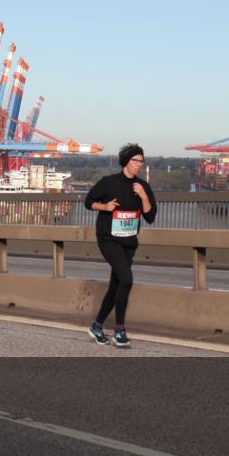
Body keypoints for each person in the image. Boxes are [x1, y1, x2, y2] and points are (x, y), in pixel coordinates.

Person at [85, 143, 157, 348]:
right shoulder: (109, 183)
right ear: (126, 161)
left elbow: (150, 217)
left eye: (142, 162)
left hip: (128, 242)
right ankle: (119, 330)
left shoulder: (143, 187)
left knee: (117, 285)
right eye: (136, 161)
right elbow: (88, 201)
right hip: (108, 238)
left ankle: (97, 326)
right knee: (126, 279)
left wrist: (143, 196)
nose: (139, 165)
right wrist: (105, 206)